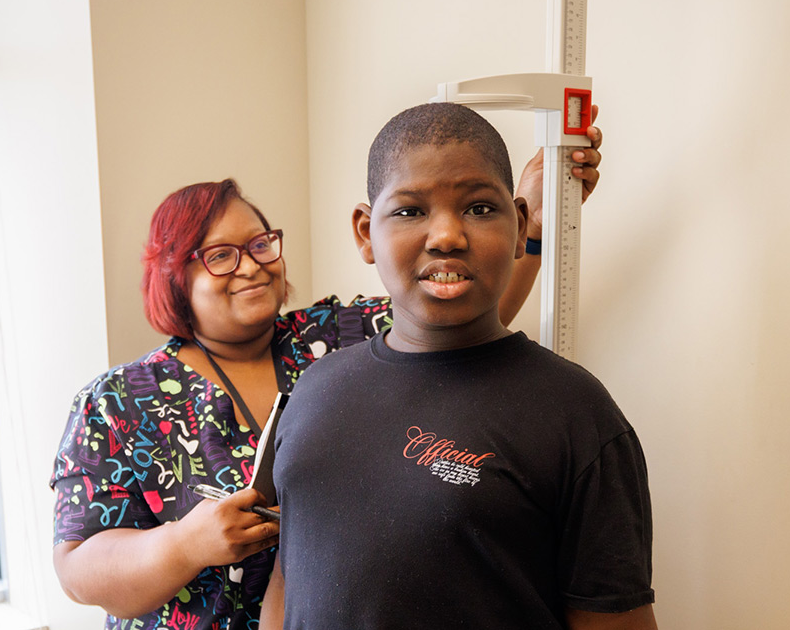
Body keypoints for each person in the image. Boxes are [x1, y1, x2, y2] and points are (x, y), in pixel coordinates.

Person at [49, 119, 605, 630]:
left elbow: (456, 298)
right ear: (173, 275)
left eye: (261, 244)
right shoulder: (120, 401)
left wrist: (530, 212)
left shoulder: (335, 339)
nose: (251, 265)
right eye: (220, 255)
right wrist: (186, 544)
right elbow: (78, 567)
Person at [259, 102, 656, 629]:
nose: (446, 235)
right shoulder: (316, 388)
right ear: (364, 233)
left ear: (520, 227)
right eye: (409, 211)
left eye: (478, 208)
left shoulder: (575, 415)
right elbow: (290, 580)